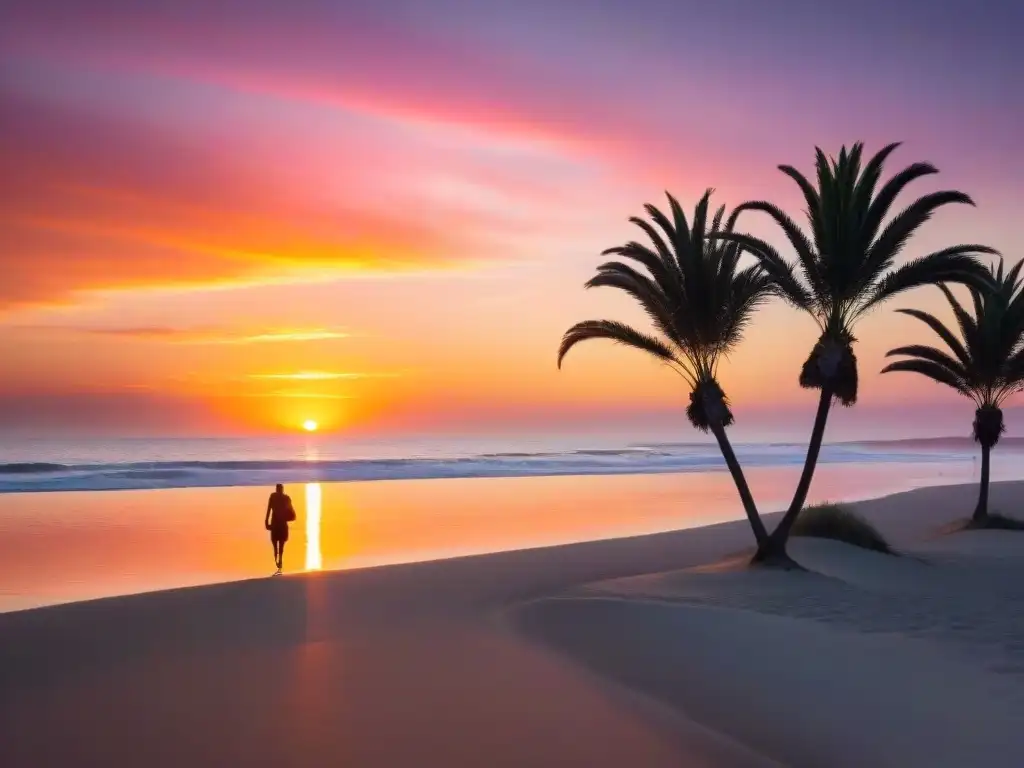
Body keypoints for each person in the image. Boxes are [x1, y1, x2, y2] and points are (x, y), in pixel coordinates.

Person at [265, 483, 295, 573]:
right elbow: (269, 509)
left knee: (279, 543)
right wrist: (266, 521)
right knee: (276, 543)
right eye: (278, 490)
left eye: (279, 490)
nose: (279, 491)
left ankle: (279, 557)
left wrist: (266, 521)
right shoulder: (276, 497)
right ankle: (277, 556)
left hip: (278, 523)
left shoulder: (284, 498)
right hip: (278, 523)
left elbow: (293, 514)